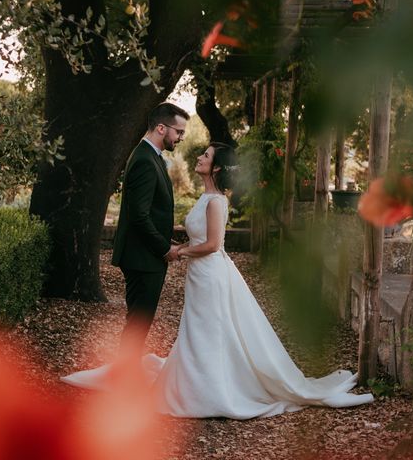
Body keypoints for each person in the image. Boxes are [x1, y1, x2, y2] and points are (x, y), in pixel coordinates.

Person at [63, 142, 374, 419]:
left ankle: (211, 392)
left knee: (208, 329)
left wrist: (179, 251)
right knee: (200, 329)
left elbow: (213, 244)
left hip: (210, 273)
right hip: (201, 274)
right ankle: (196, 384)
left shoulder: (217, 202)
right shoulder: (207, 197)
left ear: (217, 167)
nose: (199, 157)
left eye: (206, 155)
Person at [110, 102, 189, 360]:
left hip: (144, 256)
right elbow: (139, 216)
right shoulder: (144, 160)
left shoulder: (151, 156)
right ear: (160, 128)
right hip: (143, 258)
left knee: (138, 323)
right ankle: (124, 378)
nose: (181, 138)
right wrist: (164, 248)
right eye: (178, 132)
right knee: (138, 324)